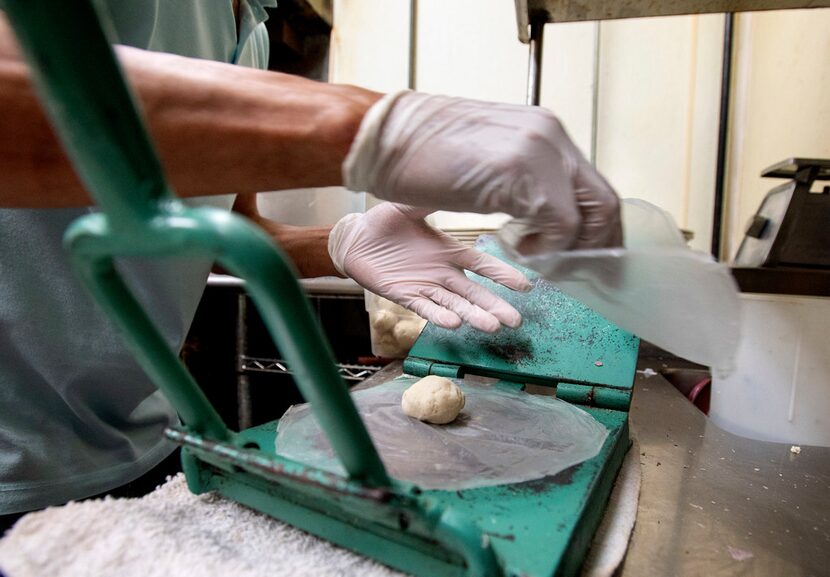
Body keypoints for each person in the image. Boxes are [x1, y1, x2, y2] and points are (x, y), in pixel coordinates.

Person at [0, 0, 621, 532]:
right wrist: (374, 131)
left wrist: (342, 243)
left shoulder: (253, 24)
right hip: (13, 462)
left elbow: (227, 228)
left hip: (144, 439)